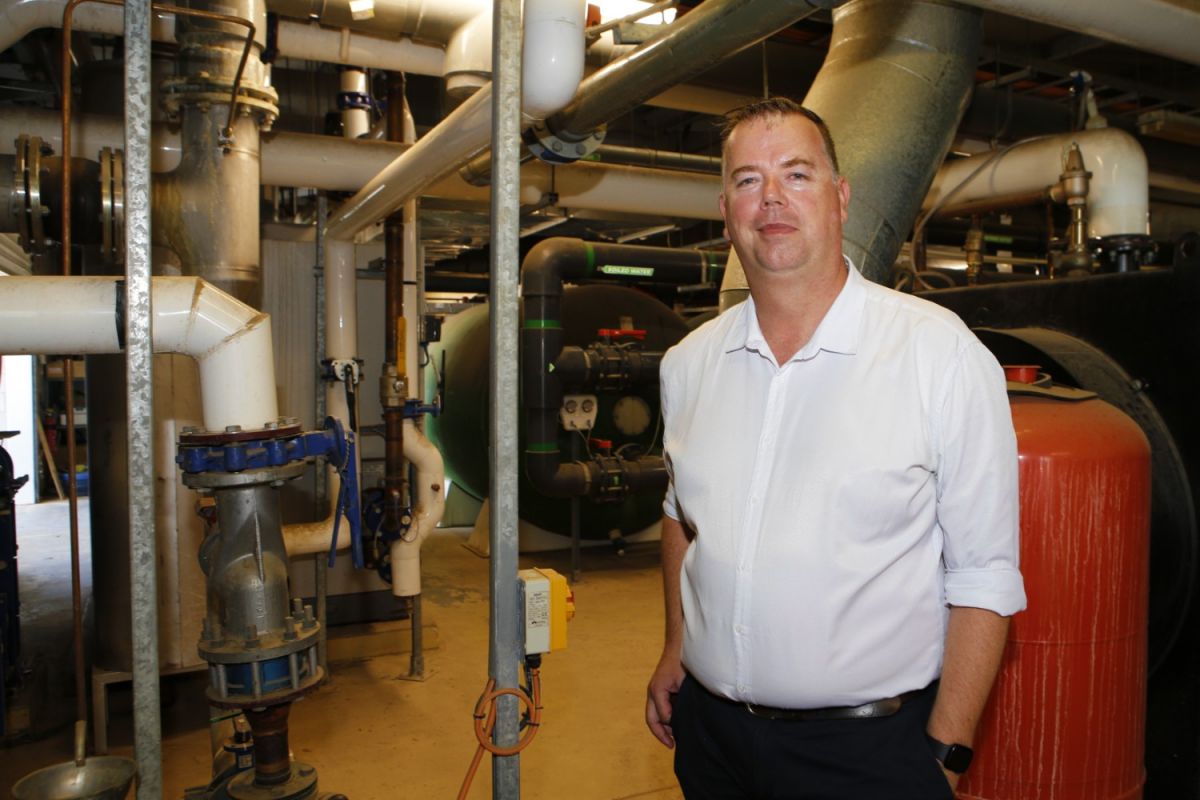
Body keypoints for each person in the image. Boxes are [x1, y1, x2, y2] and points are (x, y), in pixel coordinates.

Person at [644, 98, 1026, 799]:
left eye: (797, 174)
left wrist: (945, 751)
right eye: (749, 180)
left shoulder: (937, 354)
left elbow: (985, 575)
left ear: (841, 197)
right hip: (713, 742)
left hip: (866, 752)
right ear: (725, 207)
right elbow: (680, 517)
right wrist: (677, 644)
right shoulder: (688, 364)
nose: (772, 201)